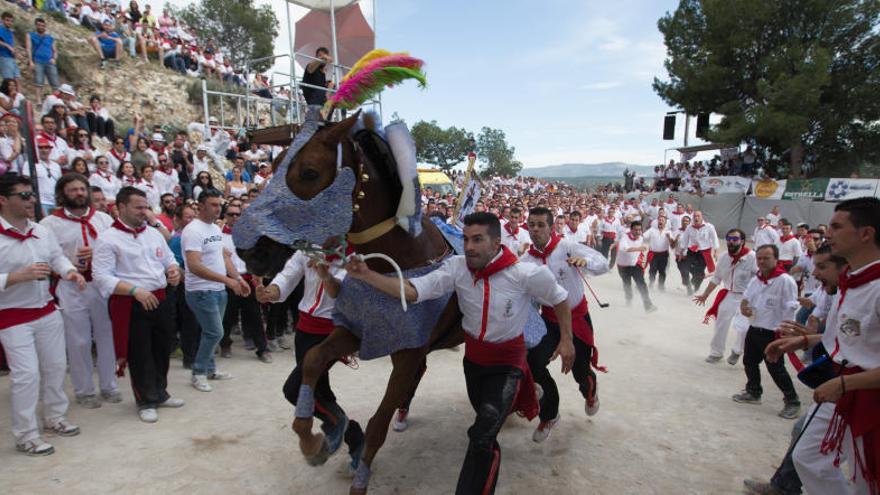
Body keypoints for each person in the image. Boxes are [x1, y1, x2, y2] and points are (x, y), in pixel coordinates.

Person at [344, 212, 574, 494]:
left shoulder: (525, 273)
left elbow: (560, 298)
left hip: (508, 366)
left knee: (481, 436)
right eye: (465, 239)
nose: (469, 247)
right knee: (486, 433)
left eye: (478, 240)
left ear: (496, 242)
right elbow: (414, 291)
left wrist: (567, 340)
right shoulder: (456, 268)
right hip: (474, 366)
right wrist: (368, 275)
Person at [768, 197, 880, 495]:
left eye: (836, 226)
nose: (827, 233)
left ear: (866, 234)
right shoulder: (854, 281)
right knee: (809, 457)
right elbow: (851, 338)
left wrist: (844, 383)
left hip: (868, 398)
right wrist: (803, 340)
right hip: (846, 390)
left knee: (867, 478)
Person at [743, 243, 848, 495]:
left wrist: (845, 383)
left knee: (832, 461)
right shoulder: (836, 292)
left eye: (822, 267)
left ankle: (790, 400)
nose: (816, 275)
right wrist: (803, 339)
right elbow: (833, 336)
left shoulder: (866, 292)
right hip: (843, 384)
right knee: (802, 434)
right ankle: (784, 486)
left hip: (856, 389)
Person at [0, 174, 85, 456]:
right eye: (24, 196)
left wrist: (69, 272)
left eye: (32, 195)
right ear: (3, 200)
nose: (31, 200)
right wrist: (15, 277)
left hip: (47, 309)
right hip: (12, 315)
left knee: (56, 366)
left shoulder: (41, 230)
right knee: (26, 375)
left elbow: (56, 257)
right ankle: (26, 434)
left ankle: (55, 417)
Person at [92, 187, 186, 423]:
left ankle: (160, 392)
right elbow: (102, 277)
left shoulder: (153, 234)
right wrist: (135, 290)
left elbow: (168, 259)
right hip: (132, 302)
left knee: (163, 347)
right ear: (121, 207)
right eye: (138, 207)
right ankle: (145, 399)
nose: (144, 212)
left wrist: (173, 271)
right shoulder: (107, 239)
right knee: (140, 352)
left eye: (146, 207)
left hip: (161, 297)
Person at [521, 207, 609, 443]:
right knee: (533, 363)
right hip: (548, 321)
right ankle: (549, 414)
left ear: (551, 227)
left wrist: (586, 261)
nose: (535, 229)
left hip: (577, 319)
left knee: (580, 371)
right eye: (531, 224)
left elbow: (603, 263)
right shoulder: (525, 260)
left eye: (541, 224)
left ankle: (590, 392)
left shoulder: (567, 246)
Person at [40, 174, 120, 410]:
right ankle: (84, 390)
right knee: (79, 340)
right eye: (73, 190)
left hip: (101, 284)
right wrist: (70, 267)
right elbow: (51, 257)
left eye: (82, 189)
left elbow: (116, 249)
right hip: (71, 286)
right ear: (62, 194)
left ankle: (109, 385)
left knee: (107, 335)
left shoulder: (104, 220)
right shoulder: (49, 224)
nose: (79, 194)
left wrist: (97, 257)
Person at [182, 189, 249, 393]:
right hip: (201, 291)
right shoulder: (193, 230)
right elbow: (194, 266)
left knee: (212, 332)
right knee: (214, 332)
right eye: (213, 205)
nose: (218, 208)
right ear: (200, 206)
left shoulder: (214, 228)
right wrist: (228, 281)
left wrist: (237, 278)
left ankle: (209, 369)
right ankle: (198, 372)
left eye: (219, 205)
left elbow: (223, 257)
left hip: (217, 289)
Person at [736, 244, 801, 419]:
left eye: (766, 258)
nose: (762, 261)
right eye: (759, 258)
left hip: (773, 332)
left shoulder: (785, 280)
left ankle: (792, 401)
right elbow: (746, 297)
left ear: (776, 259)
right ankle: (753, 392)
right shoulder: (756, 279)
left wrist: (785, 334)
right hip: (755, 327)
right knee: (749, 361)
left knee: (776, 368)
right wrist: (744, 308)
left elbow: (791, 307)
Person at [694, 228, 756, 365]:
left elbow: (760, 278)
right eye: (729, 239)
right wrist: (705, 295)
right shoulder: (723, 257)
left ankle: (737, 351)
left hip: (748, 298)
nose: (731, 242)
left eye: (735, 239)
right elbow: (717, 278)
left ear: (742, 241)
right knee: (721, 323)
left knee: (744, 327)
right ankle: (716, 353)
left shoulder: (752, 257)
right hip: (729, 294)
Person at [220, 203, 270, 362]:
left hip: (249, 280)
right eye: (231, 214)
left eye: (238, 214)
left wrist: (259, 277)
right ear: (226, 216)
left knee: (255, 316)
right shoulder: (219, 235)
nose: (235, 217)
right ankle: (225, 344)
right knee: (228, 316)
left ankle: (262, 349)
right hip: (230, 282)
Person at [615, 220, 657, 312]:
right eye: (636, 230)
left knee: (642, 284)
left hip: (635, 265)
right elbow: (624, 249)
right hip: (623, 266)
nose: (638, 232)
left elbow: (642, 253)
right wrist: (638, 249)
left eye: (639, 230)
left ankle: (648, 305)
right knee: (627, 284)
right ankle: (629, 300)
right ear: (631, 230)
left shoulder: (641, 238)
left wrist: (643, 263)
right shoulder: (624, 237)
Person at [681, 211, 718, 295]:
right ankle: (689, 286)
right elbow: (685, 240)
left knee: (699, 271)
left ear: (701, 217)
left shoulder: (709, 227)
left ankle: (695, 287)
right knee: (684, 268)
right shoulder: (689, 227)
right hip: (692, 251)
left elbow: (714, 239)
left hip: (704, 252)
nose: (696, 218)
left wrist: (716, 251)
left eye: (698, 216)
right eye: (694, 216)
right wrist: (681, 252)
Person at [22, 137, 61, 215]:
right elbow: (26, 183)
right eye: (40, 148)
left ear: (50, 150)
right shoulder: (29, 163)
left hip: (55, 202)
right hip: (40, 202)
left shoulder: (56, 165)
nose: (43, 150)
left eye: (46, 148)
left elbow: (60, 184)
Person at [26, 17, 59, 104]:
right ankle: (39, 101)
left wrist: (54, 58)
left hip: (49, 61)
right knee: (39, 82)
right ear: (36, 25)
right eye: (39, 25)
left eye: (43, 25)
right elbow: (28, 48)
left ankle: (54, 102)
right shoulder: (30, 35)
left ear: (45, 26)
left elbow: (55, 50)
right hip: (37, 61)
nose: (41, 27)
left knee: (55, 83)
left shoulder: (50, 37)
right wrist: (30, 61)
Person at [644, 214, 673, 291]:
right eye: (659, 220)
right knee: (652, 270)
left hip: (663, 254)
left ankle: (661, 286)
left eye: (662, 220)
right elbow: (644, 236)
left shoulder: (668, 232)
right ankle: (651, 283)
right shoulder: (652, 230)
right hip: (653, 254)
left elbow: (672, 243)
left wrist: (669, 238)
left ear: (665, 222)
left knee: (662, 271)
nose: (660, 221)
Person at [0, 12, 19, 82]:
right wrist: (7, 46)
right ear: (2, 20)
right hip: (3, 56)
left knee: (17, 78)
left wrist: (15, 51)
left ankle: (18, 93)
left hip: (11, 57)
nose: (9, 22)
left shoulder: (10, 32)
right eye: (7, 20)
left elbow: (12, 44)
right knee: (8, 80)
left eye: (11, 21)